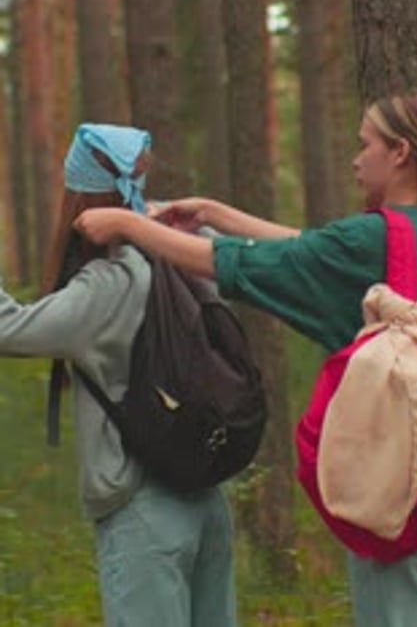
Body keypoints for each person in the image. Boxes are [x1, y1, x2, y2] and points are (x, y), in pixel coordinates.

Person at [75, 90, 417, 627]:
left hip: (405, 487)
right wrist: (213, 213)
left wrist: (130, 226)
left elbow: (236, 264)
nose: (355, 157)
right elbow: (312, 251)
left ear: (400, 153)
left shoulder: (371, 238)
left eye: (365, 143)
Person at [0, 123, 237, 627]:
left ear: (79, 197)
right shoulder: (185, 251)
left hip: (143, 511)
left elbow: (8, 328)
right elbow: (238, 258)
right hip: (207, 496)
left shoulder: (107, 285)